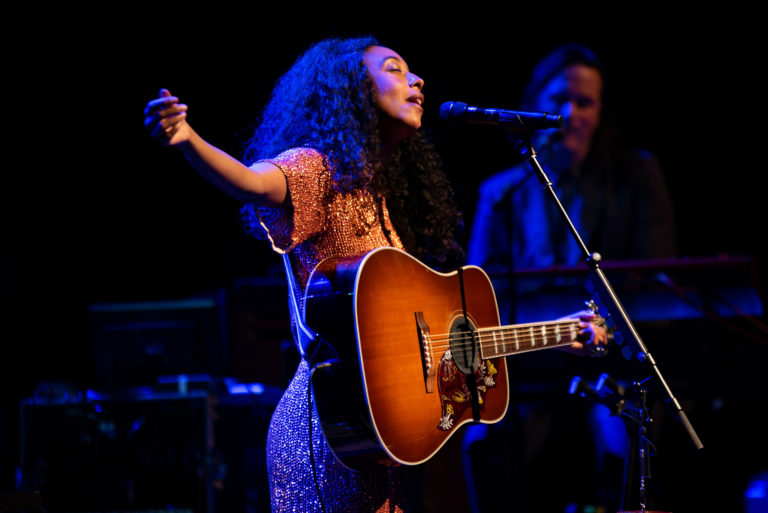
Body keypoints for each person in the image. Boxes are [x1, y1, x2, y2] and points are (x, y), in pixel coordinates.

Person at [143, 36, 608, 513]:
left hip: (370, 447)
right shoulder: (316, 168)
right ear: (352, 92)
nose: (417, 80)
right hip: (328, 433)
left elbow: (435, 351)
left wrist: (559, 334)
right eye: (394, 69)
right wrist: (189, 140)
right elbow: (253, 183)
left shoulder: (375, 199)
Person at [463, 43, 678, 513]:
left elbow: (654, 273)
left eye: (585, 103)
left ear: (601, 114)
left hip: (612, 359)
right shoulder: (500, 193)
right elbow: (480, 296)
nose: (568, 113)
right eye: (558, 99)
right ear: (532, 106)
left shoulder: (636, 175)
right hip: (528, 364)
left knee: (624, 451)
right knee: (481, 442)